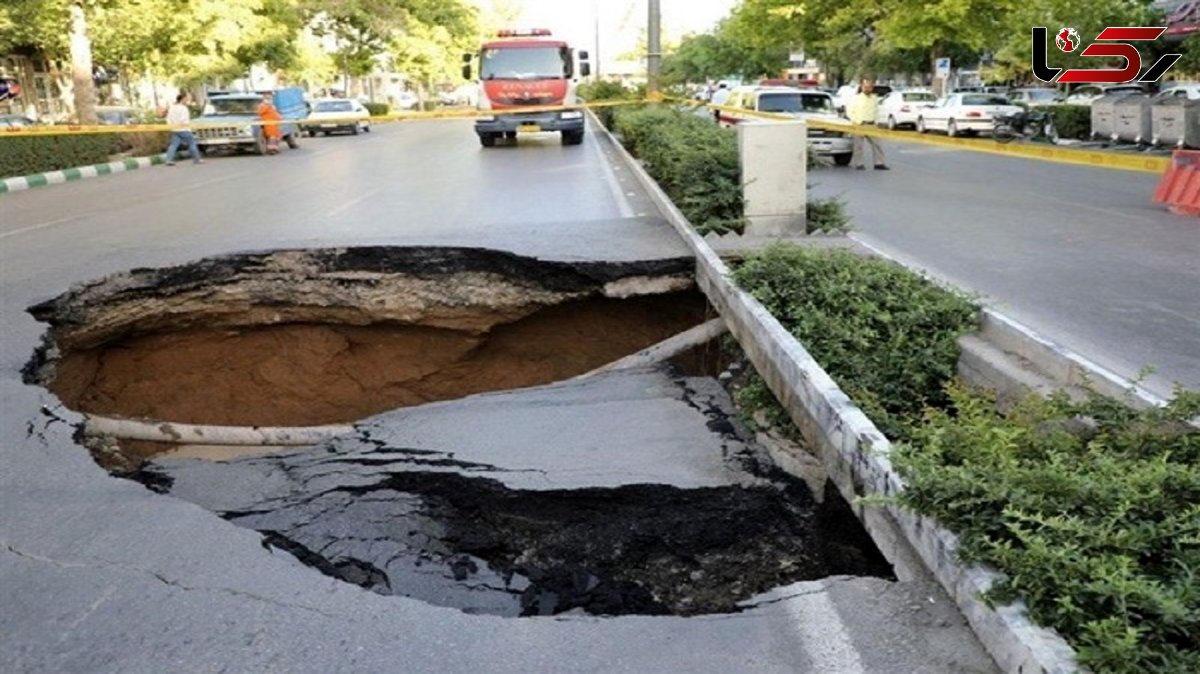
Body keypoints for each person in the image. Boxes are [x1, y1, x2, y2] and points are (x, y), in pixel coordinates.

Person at [848, 79, 888, 170]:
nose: (867, 89)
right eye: (865, 87)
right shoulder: (856, 98)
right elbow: (849, 111)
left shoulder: (874, 98)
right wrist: (855, 121)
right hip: (859, 125)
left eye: (869, 87)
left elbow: (877, 111)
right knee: (858, 146)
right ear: (861, 87)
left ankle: (879, 163)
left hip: (871, 125)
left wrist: (877, 122)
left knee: (877, 145)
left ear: (872, 88)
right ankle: (859, 164)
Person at [163, 92, 202, 166]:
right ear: (183, 99)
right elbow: (184, 119)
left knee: (173, 145)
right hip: (184, 129)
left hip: (174, 129)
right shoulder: (183, 108)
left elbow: (168, 118)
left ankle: (168, 160)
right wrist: (183, 125)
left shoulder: (172, 107)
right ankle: (197, 159)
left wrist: (172, 126)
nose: (188, 100)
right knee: (192, 143)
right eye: (187, 99)